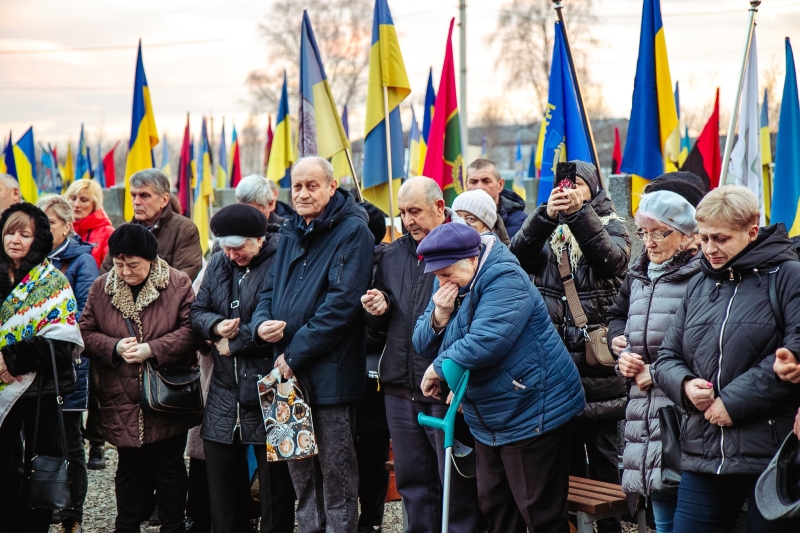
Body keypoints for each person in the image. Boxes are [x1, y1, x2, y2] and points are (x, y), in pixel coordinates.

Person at [412, 222, 585, 533]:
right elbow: (421, 341)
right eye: (437, 277)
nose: (441, 283)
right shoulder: (449, 283)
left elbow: (487, 340)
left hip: (532, 405)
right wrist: (439, 315)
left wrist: (438, 368)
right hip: (489, 412)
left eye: (447, 274)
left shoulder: (505, 277)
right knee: (495, 504)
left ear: (472, 259)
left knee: (538, 511)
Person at [651, 186, 800, 532]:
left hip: (773, 452)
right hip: (705, 452)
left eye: (720, 238)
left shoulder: (789, 276)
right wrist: (686, 386)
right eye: (703, 239)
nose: (709, 249)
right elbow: (667, 357)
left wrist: (732, 402)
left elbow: (792, 354)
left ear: (751, 232)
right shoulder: (700, 284)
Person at [252, 156, 374, 532]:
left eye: (312, 186)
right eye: (297, 186)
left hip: (330, 375)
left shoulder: (354, 232)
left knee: (336, 476)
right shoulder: (290, 228)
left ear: (332, 187)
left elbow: (341, 305)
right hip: (285, 374)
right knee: (300, 475)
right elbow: (269, 289)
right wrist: (260, 325)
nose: (303, 194)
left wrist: (294, 353)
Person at [509, 159, 630, 533]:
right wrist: (546, 215)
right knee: (564, 461)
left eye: (578, 183)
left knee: (606, 457)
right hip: (556, 364)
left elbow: (610, 260)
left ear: (594, 188)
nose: (570, 190)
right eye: (565, 184)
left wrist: (579, 215)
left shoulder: (613, 226)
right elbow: (518, 254)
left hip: (597, 364)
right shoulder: (548, 230)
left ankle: (611, 528)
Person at [360, 176, 483, 533]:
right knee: (413, 484)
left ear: (439, 207)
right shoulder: (392, 254)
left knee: (456, 483)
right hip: (399, 386)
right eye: (402, 213)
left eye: (415, 211)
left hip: (446, 385)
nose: (408, 220)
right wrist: (376, 310)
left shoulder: (467, 247)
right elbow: (375, 332)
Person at [79, 224, 200, 533]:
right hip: (120, 391)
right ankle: (127, 525)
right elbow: (85, 333)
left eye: (132, 264)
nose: (125, 271)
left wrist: (152, 349)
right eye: (118, 263)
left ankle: (173, 524)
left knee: (169, 465)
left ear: (150, 259)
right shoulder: (102, 287)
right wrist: (114, 347)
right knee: (129, 467)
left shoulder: (177, 283)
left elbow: (190, 332)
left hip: (165, 394)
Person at [190, 204, 295, 533]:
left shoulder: (283, 259)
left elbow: (280, 321)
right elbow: (197, 311)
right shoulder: (219, 262)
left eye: (239, 247)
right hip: (224, 390)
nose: (232, 254)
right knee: (223, 495)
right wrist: (216, 327)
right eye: (225, 247)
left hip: (276, 387)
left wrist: (234, 343)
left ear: (259, 239)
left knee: (277, 494)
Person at [604, 191, 701, 533]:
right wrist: (622, 350)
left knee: (689, 513)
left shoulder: (699, 276)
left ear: (687, 234)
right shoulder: (639, 274)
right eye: (643, 233)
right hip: (642, 411)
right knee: (661, 514)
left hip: (683, 410)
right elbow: (617, 316)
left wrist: (655, 373)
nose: (650, 243)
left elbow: (706, 349)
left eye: (660, 233)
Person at [0, 203, 85, 533]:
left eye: (25, 234)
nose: (16, 240)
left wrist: (12, 359)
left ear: (38, 239)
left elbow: (64, 345)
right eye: (10, 232)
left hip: (43, 388)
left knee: (41, 464)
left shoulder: (53, 282)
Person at [37, 195, 100, 533]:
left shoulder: (81, 262)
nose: (44, 232)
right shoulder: (32, 260)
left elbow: (85, 313)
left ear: (67, 227)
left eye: (51, 225)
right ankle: (40, 504)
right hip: (34, 368)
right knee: (38, 443)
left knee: (69, 443)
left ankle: (71, 513)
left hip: (67, 368)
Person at [354, 201, 391, 533]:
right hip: (343, 373)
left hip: (372, 374)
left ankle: (372, 519)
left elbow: (383, 327)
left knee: (371, 454)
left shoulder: (385, 264)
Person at [99, 168, 202, 281]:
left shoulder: (184, 229)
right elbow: (105, 277)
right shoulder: (122, 233)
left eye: (144, 195)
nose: (136, 202)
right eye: (133, 195)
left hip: (167, 298)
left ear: (164, 199)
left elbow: (184, 277)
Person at [465, 158, 527, 237]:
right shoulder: (454, 220)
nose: (479, 187)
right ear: (466, 185)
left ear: (500, 184)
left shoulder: (523, 224)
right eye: (473, 182)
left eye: (486, 181)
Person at [66, 179, 115, 268]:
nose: (76, 204)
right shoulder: (60, 228)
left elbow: (110, 270)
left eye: (84, 200)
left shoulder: (107, 232)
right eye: (73, 198)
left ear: (94, 204)